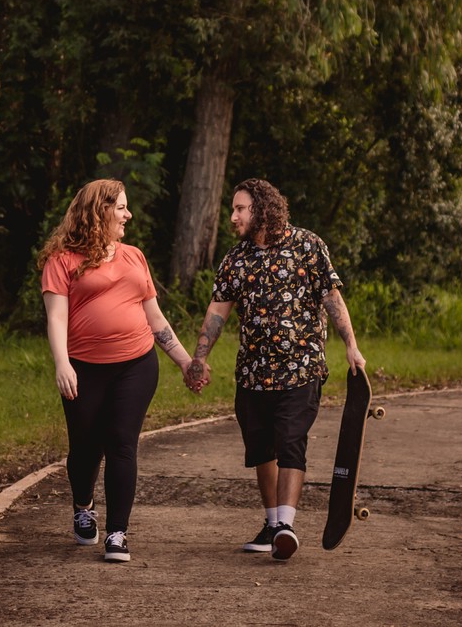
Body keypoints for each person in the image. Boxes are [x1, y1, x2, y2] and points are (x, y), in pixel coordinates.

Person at [185, 178, 365, 561]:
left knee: (290, 441)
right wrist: (200, 357)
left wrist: (351, 345)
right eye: (232, 209)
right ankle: (272, 525)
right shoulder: (236, 258)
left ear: (262, 209)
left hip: (300, 369)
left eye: (239, 209)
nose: (232, 217)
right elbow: (218, 311)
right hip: (252, 373)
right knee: (261, 449)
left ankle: (286, 523)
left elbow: (331, 297)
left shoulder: (308, 246)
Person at [39, 179, 195, 563]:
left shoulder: (134, 256)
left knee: (122, 442)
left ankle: (117, 533)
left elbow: (154, 317)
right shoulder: (61, 261)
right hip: (84, 368)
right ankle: (83, 505)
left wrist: (186, 362)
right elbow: (56, 318)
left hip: (136, 364)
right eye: (121, 208)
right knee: (85, 448)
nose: (128, 215)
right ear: (99, 211)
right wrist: (63, 363)